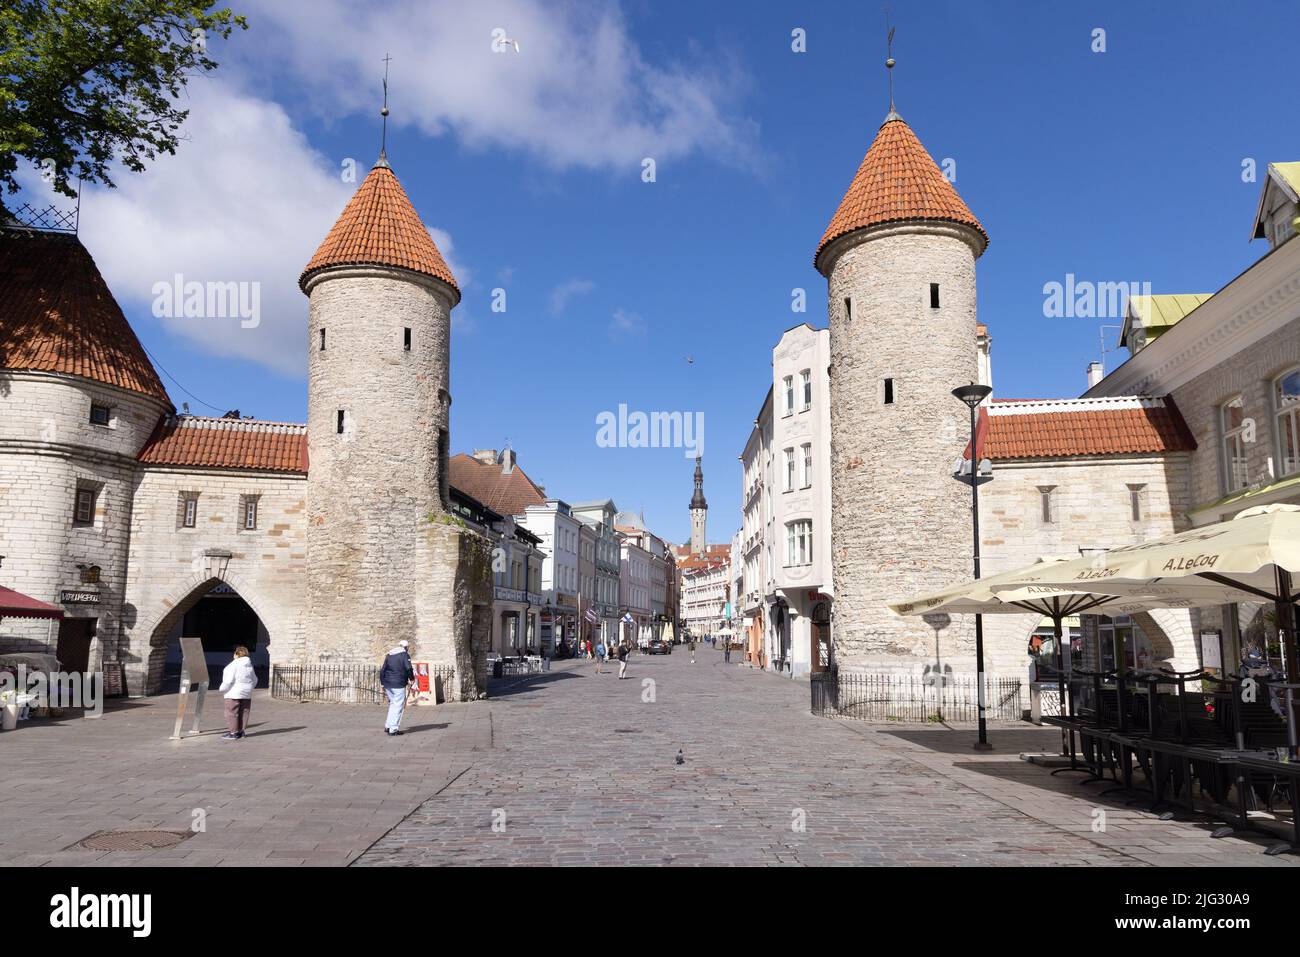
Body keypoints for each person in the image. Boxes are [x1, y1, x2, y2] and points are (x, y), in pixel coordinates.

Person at [219, 645, 257, 740]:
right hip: (246, 693)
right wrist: (249, 688)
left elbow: (229, 680)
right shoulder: (249, 666)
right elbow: (255, 679)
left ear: (236, 654)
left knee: (231, 712)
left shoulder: (233, 665)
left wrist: (222, 689)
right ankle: (241, 731)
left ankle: (233, 732)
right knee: (244, 711)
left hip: (233, 692)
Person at [380, 639, 415, 736]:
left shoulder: (390, 654)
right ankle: (393, 729)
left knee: (393, 704)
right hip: (398, 684)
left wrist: (382, 683)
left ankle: (388, 726)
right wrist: (411, 678)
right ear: (406, 647)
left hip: (388, 683)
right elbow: (408, 668)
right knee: (398, 706)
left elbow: (383, 670)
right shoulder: (404, 655)